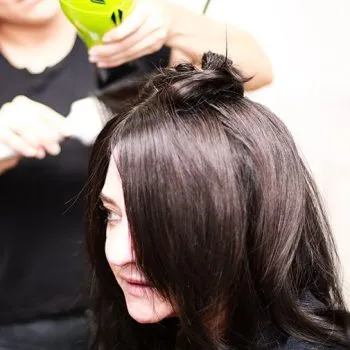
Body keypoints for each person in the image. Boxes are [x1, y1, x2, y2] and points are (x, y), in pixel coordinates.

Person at [0, 1, 272, 349]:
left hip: (136, 308)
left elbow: (257, 69)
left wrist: (172, 23)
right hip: (13, 321)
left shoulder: (117, 40)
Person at [86, 52, 350, 349]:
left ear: (247, 218)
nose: (119, 254)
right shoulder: (170, 328)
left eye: (161, 220)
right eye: (112, 214)